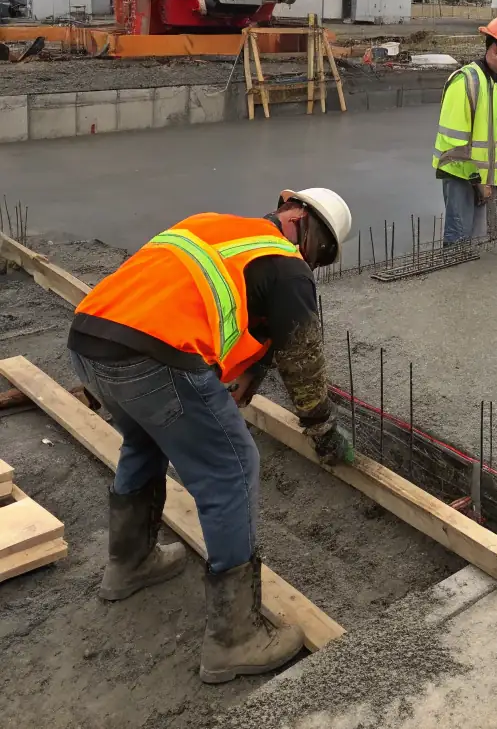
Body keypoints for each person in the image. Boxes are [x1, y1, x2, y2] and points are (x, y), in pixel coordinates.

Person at [67, 187, 353, 683]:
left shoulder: (213, 228)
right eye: (321, 252)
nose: (313, 262)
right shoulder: (288, 265)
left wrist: (252, 370)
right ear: (303, 223)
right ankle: (234, 638)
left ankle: (129, 563)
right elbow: (303, 359)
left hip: (90, 340)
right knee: (232, 467)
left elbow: (216, 306)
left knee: (144, 440)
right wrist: (323, 428)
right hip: (155, 359)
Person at [433, 15, 497, 243]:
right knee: (459, 238)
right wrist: (477, 181)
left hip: (485, 180)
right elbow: (453, 142)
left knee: (481, 241)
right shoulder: (465, 82)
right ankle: (453, 265)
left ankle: (473, 269)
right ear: (494, 50)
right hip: (460, 175)